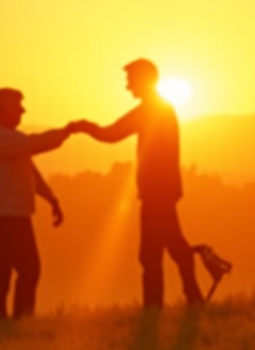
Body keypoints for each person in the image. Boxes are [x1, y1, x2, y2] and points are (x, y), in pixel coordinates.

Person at [71, 59, 205, 310]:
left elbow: (110, 134)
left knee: (151, 254)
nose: (127, 86)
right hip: (163, 190)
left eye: (130, 80)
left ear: (144, 80)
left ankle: (156, 307)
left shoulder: (150, 110)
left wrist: (83, 127)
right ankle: (190, 296)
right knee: (172, 245)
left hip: (157, 191)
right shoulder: (161, 108)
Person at [0, 87, 76, 321]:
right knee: (14, 269)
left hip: (11, 213)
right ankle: (10, 320)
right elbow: (36, 143)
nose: (23, 110)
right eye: (17, 106)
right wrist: (66, 131)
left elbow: (30, 172)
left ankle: (9, 320)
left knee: (16, 269)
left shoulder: (9, 140)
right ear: (1, 110)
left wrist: (52, 199)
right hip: (3, 214)